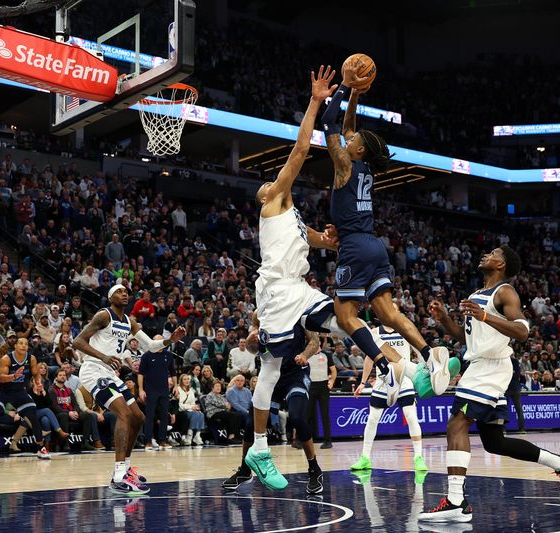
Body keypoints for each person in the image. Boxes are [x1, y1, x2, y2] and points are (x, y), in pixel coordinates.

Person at [247, 66, 409, 491]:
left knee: (342, 317)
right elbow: (301, 149)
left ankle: (384, 362)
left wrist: (334, 242)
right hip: (277, 293)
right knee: (269, 368)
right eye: (266, 185)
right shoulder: (275, 200)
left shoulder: (293, 218)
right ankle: (259, 448)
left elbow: (318, 240)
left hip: (299, 289)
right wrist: (317, 100)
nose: (269, 184)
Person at [420, 246, 560, 523]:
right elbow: (466, 338)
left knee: (456, 424)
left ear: (501, 265)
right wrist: (445, 320)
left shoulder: (505, 292)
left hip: (491, 368)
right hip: (481, 365)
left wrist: (486, 316)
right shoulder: (475, 295)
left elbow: (522, 330)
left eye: (493, 253)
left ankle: (456, 502)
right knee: (494, 442)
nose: (484, 254)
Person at [321, 60, 450, 395]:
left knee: (345, 315)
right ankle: (429, 354)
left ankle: (384, 366)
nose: (348, 138)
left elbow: (328, 122)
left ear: (358, 148)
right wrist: (355, 94)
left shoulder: (344, 163)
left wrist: (344, 87)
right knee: (388, 313)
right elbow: (349, 126)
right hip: (376, 245)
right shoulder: (364, 165)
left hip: (355, 246)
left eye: (353, 140)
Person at [72, 283, 185, 495]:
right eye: (119, 292)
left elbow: (151, 346)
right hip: (93, 370)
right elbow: (77, 342)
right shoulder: (103, 315)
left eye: (126, 292)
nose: (124, 294)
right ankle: (117, 477)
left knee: (139, 418)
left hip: (109, 373)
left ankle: (126, 469)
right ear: (110, 296)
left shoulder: (129, 322)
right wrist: (103, 356)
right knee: (123, 415)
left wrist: (171, 340)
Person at [223, 329, 324, 494]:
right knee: (250, 423)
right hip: (270, 374)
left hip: (295, 373)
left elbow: (314, 341)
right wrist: (250, 341)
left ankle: (314, 469)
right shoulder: (261, 314)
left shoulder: (299, 310)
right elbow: (253, 349)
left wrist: (305, 354)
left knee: (297, 417)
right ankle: (245, 470)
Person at [350, 317, 428, 472]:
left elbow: (419, 350)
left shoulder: (404, 330)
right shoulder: (374, 332)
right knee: (372, 419)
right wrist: (363, 382)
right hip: (382, 380)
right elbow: (369, 358)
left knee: (411, 417)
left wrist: (424, 370)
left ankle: (418, 457)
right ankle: (365, 458)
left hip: (404, 378)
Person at [0, 337, 50, 462]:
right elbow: (2, 378)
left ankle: (40, 448)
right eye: (20, 343)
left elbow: (36, 373)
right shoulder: (6, 358)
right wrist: (14, 376)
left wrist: (38, 383)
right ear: (15, 346)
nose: (23, 346)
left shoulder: (31, 358)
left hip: (20, 392)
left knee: (33, 416)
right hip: (2, 393)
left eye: (26, 343)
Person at [139, 336, 177, 451]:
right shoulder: (146, 355)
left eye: (161, 341)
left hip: (164, 390)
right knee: (150, 416)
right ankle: (148, 441)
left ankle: (162, 441)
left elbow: (173, 372)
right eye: (156, 340)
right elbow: (140, 373)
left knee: (164, 416)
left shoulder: (168, 355)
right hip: (151, 390)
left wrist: (175, 386)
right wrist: (141, 389)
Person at [175, 373, 204, 446]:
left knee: (200, 414)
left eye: (188, 379)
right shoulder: (178, 389)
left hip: (190, 410)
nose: (187, 381)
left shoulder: (191, 390)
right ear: (181, 381)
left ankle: (197, 435)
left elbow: (193, 402)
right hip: (181, 411)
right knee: (195, 415)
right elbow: (180, 405)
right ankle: (189, 436)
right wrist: (191, 407)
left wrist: (195, 407)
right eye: (184, 379)